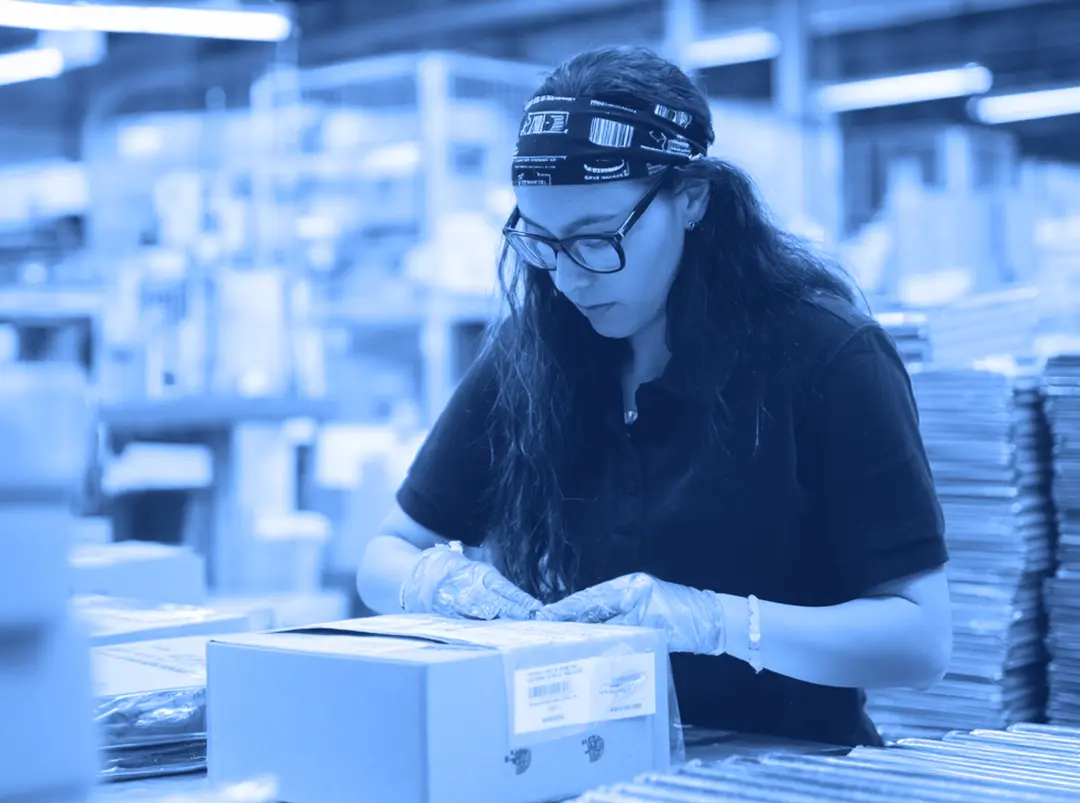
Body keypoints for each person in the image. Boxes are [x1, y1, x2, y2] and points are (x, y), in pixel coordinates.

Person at [357, 46, 952, 748]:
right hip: (589, 761)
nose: (570, 279)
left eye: (595, 240)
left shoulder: (823, 354)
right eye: (542, 244)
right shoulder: (536, 350)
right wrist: (441, 584)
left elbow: (918, 638)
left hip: (793, 772)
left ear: (692, 198)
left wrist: (717, 622)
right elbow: (383, 555)